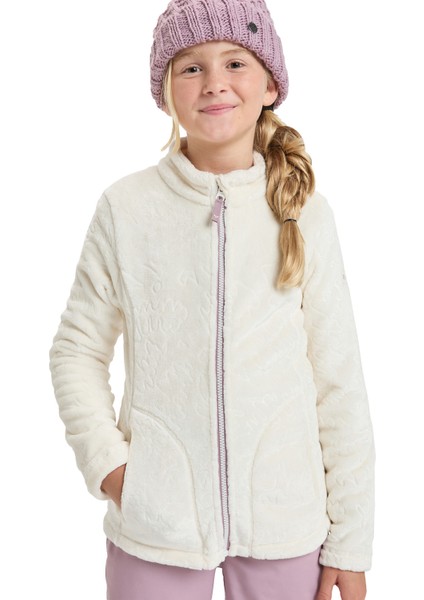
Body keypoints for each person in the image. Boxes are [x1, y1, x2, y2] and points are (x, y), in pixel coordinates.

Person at [49, 1, 375, 598]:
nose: (214, 83)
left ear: (270, 84)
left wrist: (350, 542)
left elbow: (339, 381)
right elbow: (76, 349)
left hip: (285, 523)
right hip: (156, 526)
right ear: (165, 92)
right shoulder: (127, 209)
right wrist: (112, 468)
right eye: (191, 67)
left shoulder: (305, 212)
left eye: (235, 62)